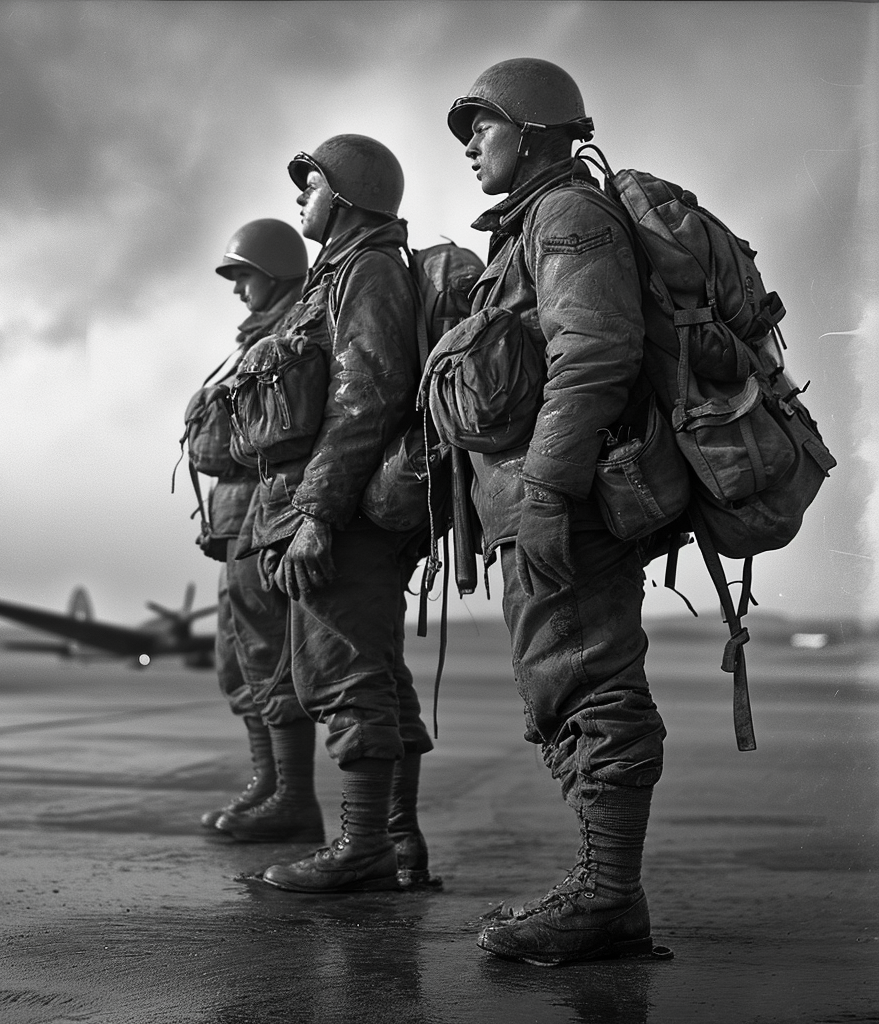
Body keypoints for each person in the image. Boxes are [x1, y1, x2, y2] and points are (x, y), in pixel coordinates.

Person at [446, 59, 667, 964]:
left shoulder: (569, 217)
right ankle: (605, 891)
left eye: (483, 126)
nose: (469, 146)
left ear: (535, 133)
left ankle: (609, 897)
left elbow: (594, 356)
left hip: (565, 506)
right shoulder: (531, 225)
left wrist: (543, 489)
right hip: (545, 502)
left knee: (593, 683)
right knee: (565, 682)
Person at [234, 135, 434, 892]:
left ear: (346, 196)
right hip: (331, 504)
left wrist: (316, 511)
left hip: (342, 512)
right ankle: (393, 840)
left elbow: (365, 398)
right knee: (361, 670)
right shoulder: (340, 274)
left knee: (346, 675)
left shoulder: (367, 271)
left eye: (310, 184)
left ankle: (364, 850)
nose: (298, 198)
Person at [187, 218, 323, 844]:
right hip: (237, 522)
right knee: (237, 662)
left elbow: (280, 431)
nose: (238, 289)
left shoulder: (295, 331)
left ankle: (292, 796)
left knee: (268, 656)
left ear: (272, 274)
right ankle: (268, 786)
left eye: (244, 276)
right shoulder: (254, 339)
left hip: (267, 516)